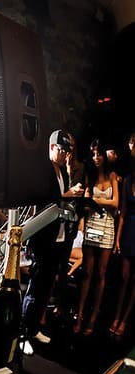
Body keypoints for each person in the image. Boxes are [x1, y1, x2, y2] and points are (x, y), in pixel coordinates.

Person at [22, 129, 84, 345]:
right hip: (42, 236)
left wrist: (71, 197)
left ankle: (33, 328)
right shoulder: (43, 169)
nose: (65, 154)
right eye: (62, 150)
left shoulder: (63, 172)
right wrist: (67, 195)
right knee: (35, 285)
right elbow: (42, 200)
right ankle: (24, 332)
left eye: (67, 151)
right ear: (52, 147)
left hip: (58, 236)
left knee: (46, 285)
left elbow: (61, 202)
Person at [74, 140, 119, 335]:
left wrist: (95, 200)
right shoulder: (90, 176)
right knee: (87, 272)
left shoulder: (112, 175)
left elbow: (116, 203)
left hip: (107, 227)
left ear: (104, 155)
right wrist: (93, 202)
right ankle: (80, 314)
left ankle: (93, 318)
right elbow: (85, 204)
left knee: (101, 273)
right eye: (93, 154)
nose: (95, 157)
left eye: (98, 153)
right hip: (92, 225)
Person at [112, 134, 135, 337]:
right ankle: (116, 317)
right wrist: (118, 238)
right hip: (129, 230)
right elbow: (123, 212)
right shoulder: (128, 180)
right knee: (124, 278)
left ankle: (125, 320)